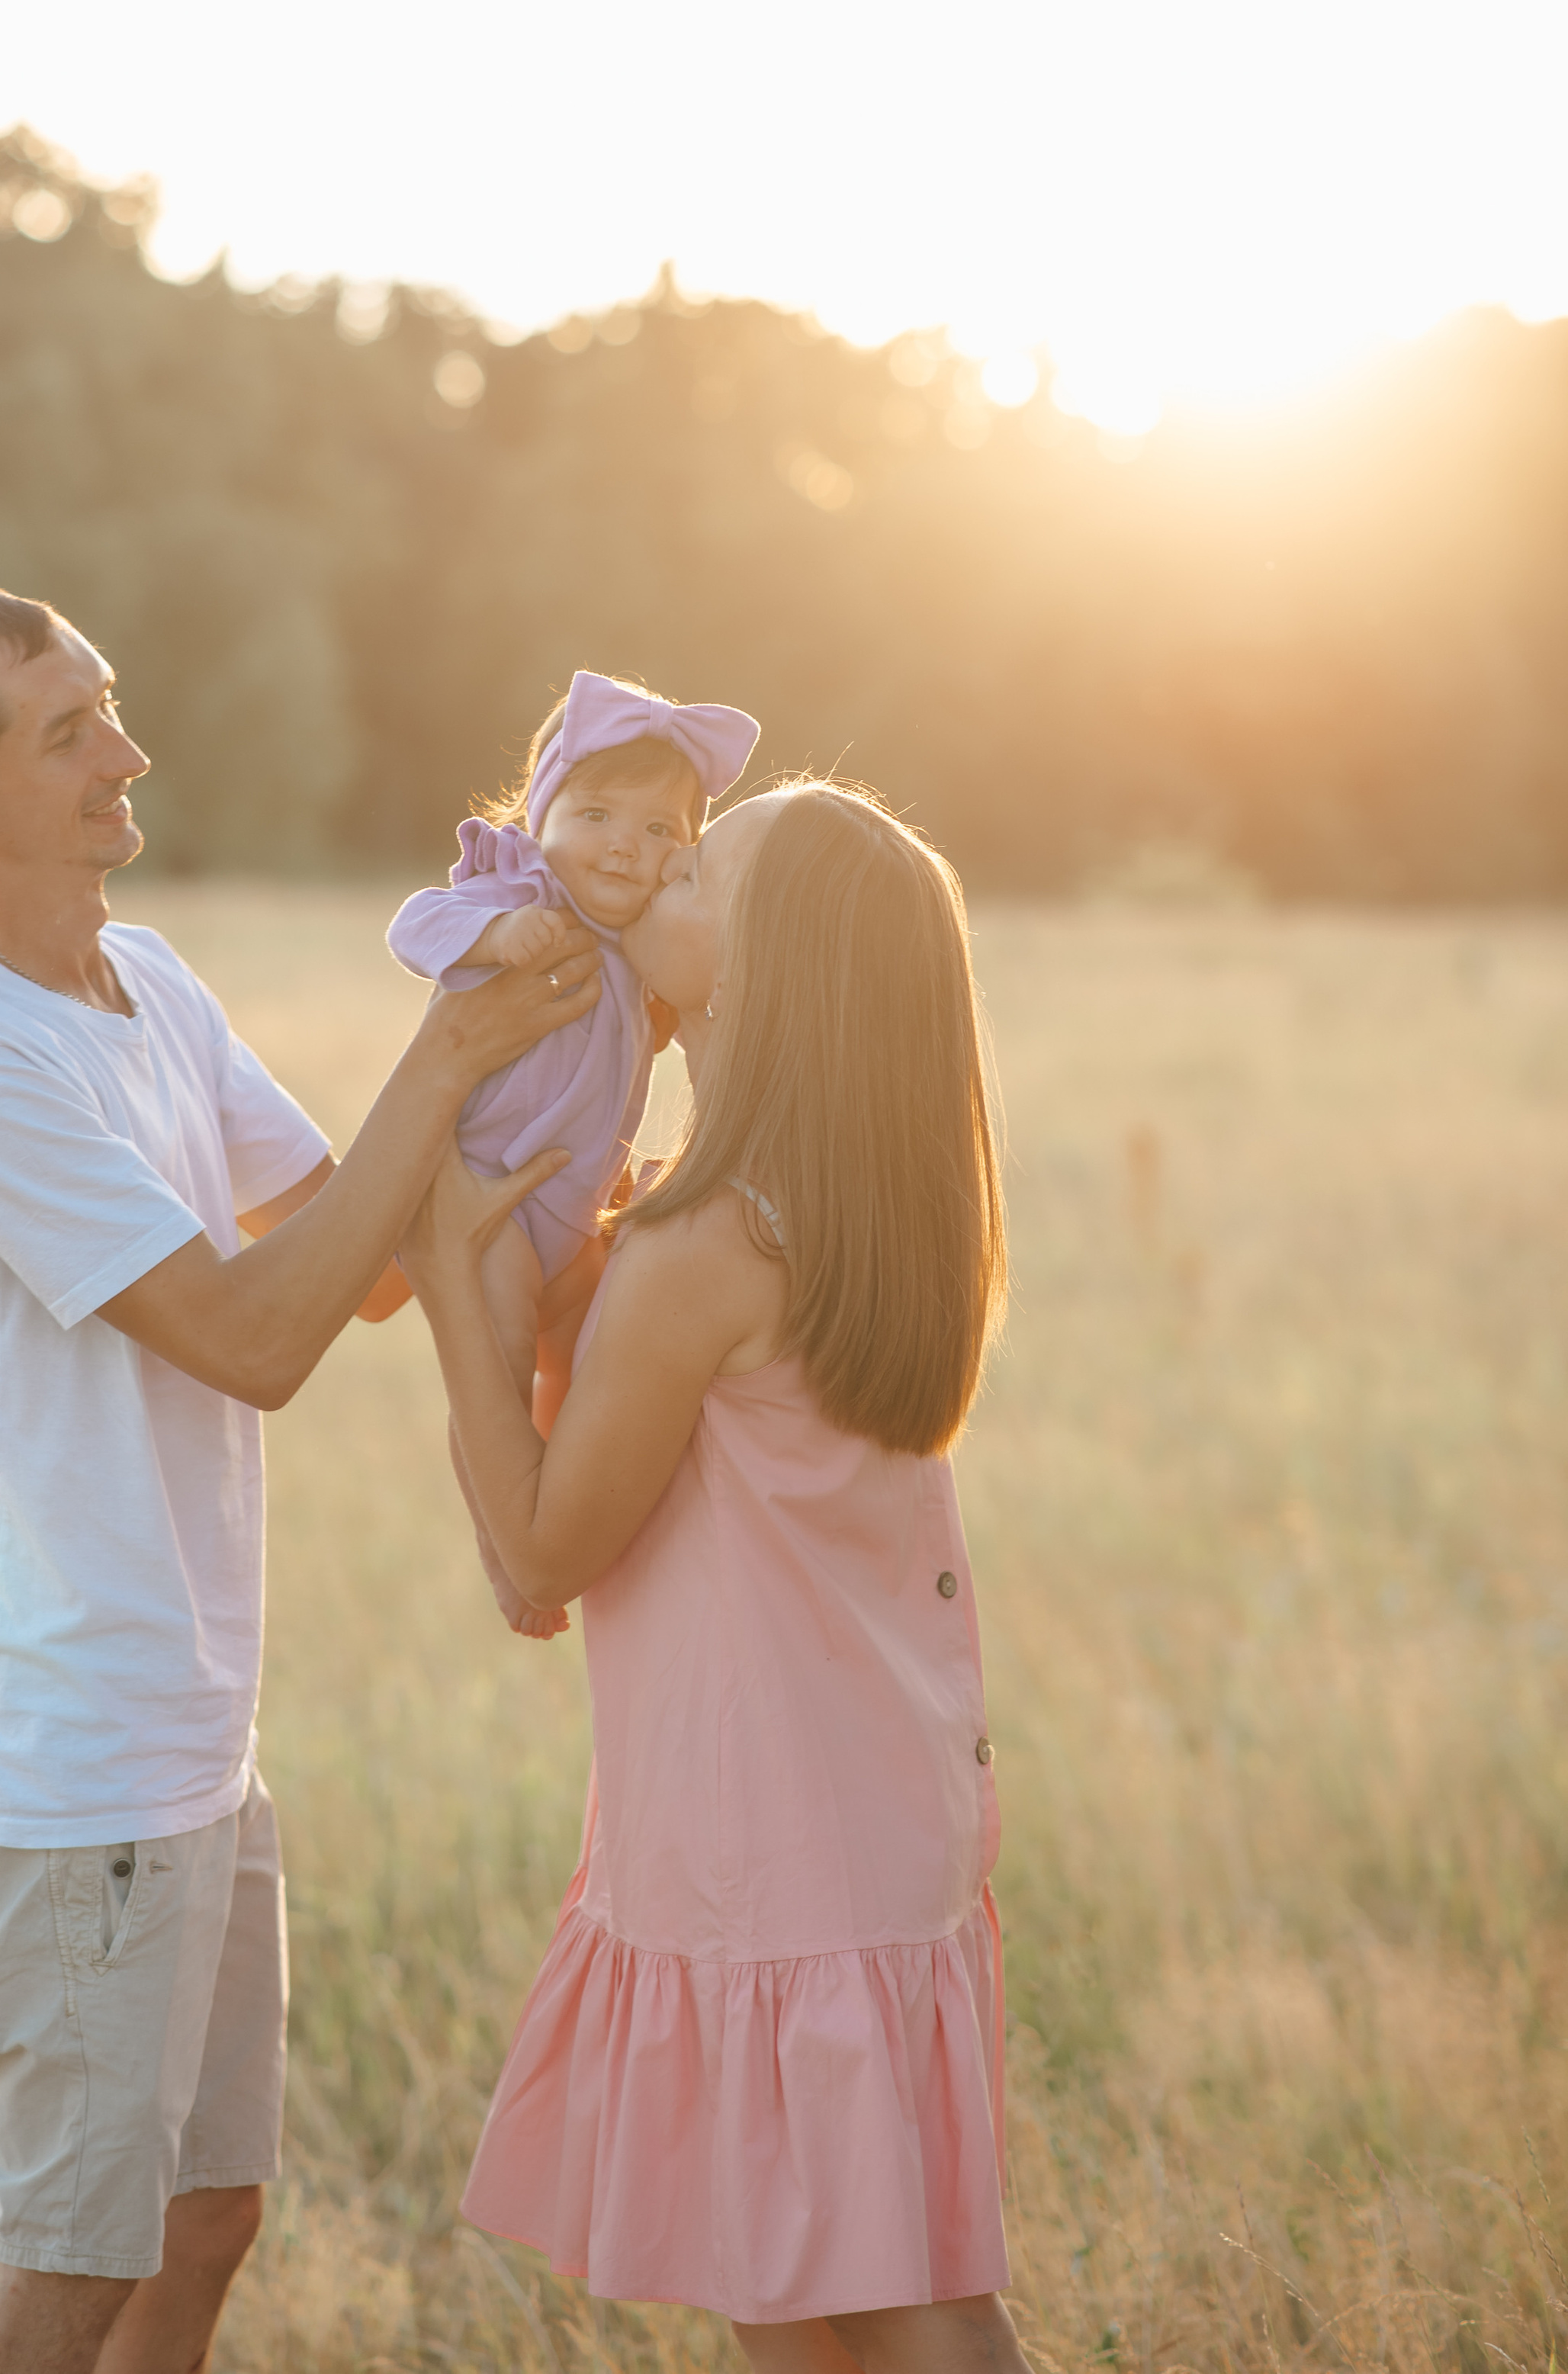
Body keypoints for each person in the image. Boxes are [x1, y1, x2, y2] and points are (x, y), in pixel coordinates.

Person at [0, 585, 597, 2374]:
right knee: (74, 2256)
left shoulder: (147, 979)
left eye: (109, 706)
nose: (128, 753)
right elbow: (260, 1332)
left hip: (186, 1730)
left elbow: (372, 1250)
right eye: (66, 731)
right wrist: (450, 1046)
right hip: (67, 1763)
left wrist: (568, 1052)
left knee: (205, 2218)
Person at [400, 782, 1026, 2374]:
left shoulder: (704, 1250)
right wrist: (551, 1298)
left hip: (773, 1836)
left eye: (692, 873)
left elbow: (539, 1555)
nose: (648, 874)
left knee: (888, 2302)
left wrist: (451, 1287)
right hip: (865, 1807)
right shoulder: (841, 1211)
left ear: (753, 975)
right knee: (820, 2276)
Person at [387, 670, 758, 1635]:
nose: (624, 849)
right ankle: (506, 1546)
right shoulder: (519, 886)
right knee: (497, 1369)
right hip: (492, 1204)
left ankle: (564, 1499)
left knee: (589, 1364)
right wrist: (498, 932)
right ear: (540, 810)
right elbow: (413, 925)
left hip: (574, 1217)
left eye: (659, 833)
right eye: (595, 814)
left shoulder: (636, 932)